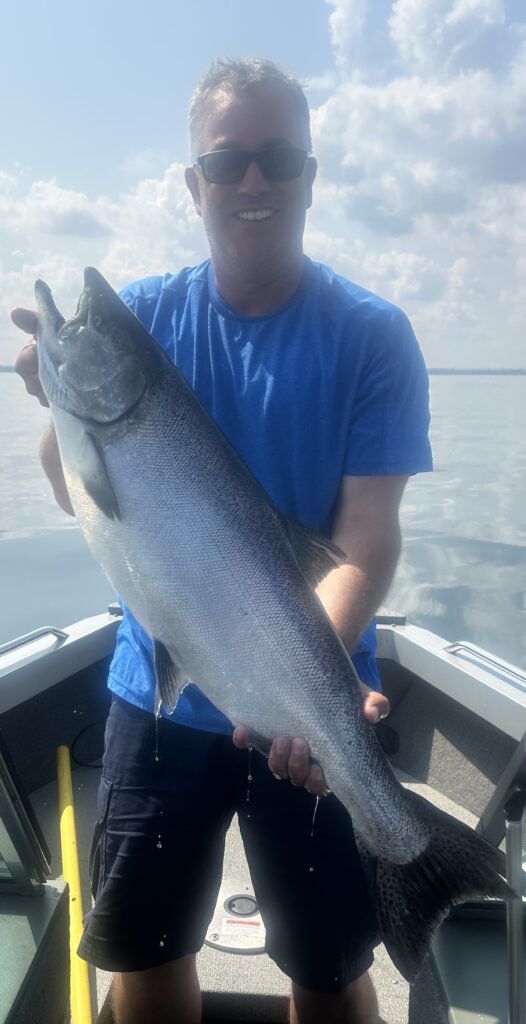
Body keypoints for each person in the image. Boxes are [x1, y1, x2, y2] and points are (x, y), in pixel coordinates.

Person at [13, 58, 432, 1024]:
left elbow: (364, 537)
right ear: (193, 182)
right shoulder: (148, 319)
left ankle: (414, 861)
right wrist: (61, 406)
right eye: (228, 160)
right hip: (155, 694)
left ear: (311, 177)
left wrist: (305, 693)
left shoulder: (373, 335)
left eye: (277, 159)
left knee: (327, 976)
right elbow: (82, 496)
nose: (254, 181)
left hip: (316, 697)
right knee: (144, 961)